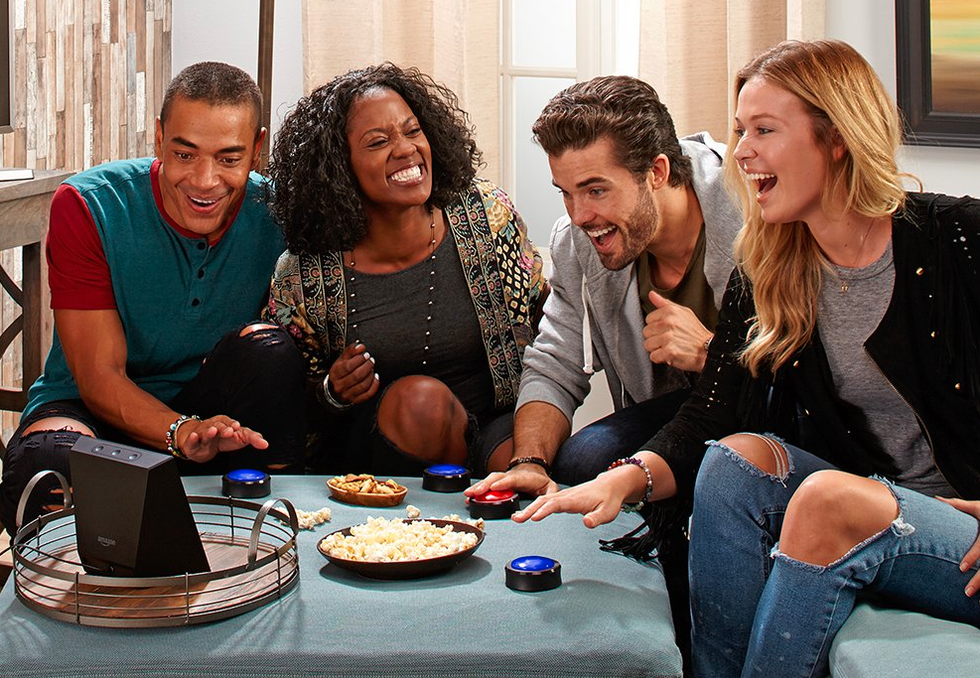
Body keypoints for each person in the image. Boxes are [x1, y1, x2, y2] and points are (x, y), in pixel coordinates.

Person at [514, 38, 980, 677]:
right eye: (740, 130)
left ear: (835, 137)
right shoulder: (769, 267)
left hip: (961, 528)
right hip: (874, 500)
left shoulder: (960, 240)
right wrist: (620, 480)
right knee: (735, 459)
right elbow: (712, 415)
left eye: (764, 130)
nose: (740, 151)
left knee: (825, 499)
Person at [0, 62, 305, 535]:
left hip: (213, 417)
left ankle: (274, 538)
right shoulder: (89, 205)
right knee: (44, 471)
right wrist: (179, 431)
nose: (204, 180)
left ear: (256, 149)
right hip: (91, 413)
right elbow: (99, 377)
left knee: (272, 352)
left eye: (229, 159)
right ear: (159, 138)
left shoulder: (279, 211)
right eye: (185, 154)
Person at [264, 63, 546, 476]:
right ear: (338, 166)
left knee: (521, 475)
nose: (406, 149)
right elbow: (289, 404)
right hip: (382, 447)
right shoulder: (301, 275)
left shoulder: (488, 214)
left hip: (493, 423)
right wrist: (332, 391)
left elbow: (544, 321)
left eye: (413, 131)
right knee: (421, 403)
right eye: (378, 142)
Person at [467, 75, 741, 499]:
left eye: (596, 190)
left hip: (759, 410)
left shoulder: (752, 214)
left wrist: (709, 352)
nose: (579, 216)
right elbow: (555, 362)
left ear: (657, 172)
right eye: (566, 193)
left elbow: (802, 376)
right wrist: (529, 462)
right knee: (583, 461)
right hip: (671, 420)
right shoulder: (579, 241)